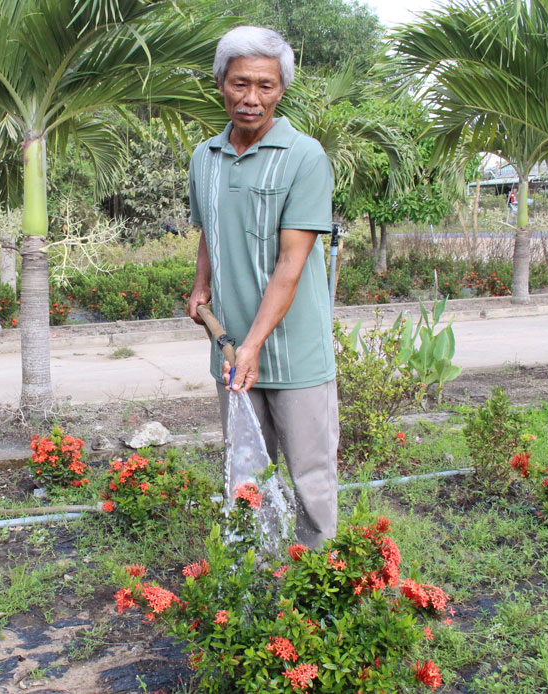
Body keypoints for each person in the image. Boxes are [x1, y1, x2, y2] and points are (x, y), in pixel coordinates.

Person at [186, 26, 339, 548]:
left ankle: (316, 582)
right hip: (230, 348)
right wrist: (201, 283)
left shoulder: (304, 157)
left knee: (310, 475)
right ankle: (253, 576)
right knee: (244, 473)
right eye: (241, 83)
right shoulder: (203, 158)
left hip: (294, 353)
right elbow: (210, 226)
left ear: (281, 90)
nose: (252, 98)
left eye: (266, 86)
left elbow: (292, 264)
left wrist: (254, 345)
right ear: (219, 83)